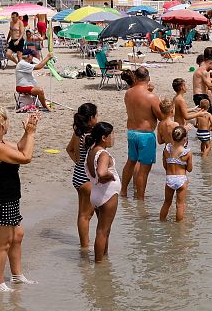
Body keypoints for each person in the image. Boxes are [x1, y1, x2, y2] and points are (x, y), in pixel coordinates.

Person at [0, 102, 39, 292]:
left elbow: (20, 147)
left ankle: (17, 275)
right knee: (3, 243)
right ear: (3, 123)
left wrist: (28, 131)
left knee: (18, 235)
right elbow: (26, 157)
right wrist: (31, 134)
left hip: (10, 196)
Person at [120, 67, 165, 199]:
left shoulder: (128, 93)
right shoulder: (151, 97)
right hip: (145, 135)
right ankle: (140, 198)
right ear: (148, 78)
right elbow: (162, 117)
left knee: (130, 162)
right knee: (144, 170)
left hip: (132, 132)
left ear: (136, 78)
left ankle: (123, 191)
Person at [85, 122, 119, 263]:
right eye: (112, 134)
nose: (114, 137)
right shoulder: (103, 154)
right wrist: (111, 176)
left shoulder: (91, 151)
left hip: (97, 194)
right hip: (107, 195)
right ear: (104, 137)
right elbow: (101, 172)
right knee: (102, 231)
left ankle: (104, 259)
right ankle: (99, 265)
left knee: (104, 230)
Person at [66, 103, 97, 250]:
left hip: (78, 176)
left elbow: (69, 149)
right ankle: (85, 246)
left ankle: (84, 244)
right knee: (86, 216)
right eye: (96, 115)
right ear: (91, 118)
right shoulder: (91, 135)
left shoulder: (78, 132)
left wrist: (79, 162)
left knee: (82, 214)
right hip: (87, 180)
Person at [160, 126, 193, 222]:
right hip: (181, 179)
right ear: (184, 139)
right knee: (180, 205)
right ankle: (179, 228)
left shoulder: (167, 149)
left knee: (166, 202)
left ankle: (161, 221)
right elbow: (190, 169)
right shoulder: (187, 152)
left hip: (169, 178)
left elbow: (165, 165)